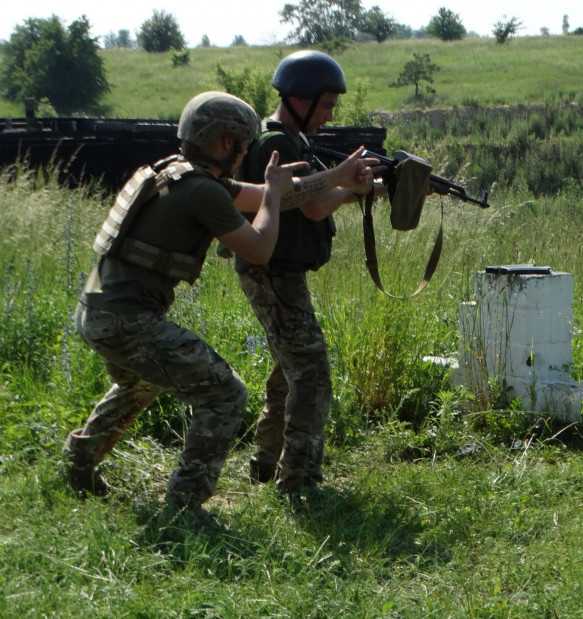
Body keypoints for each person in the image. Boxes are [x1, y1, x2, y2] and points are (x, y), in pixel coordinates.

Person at [63, 91, 376, 516]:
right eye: (244, 145)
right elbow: (261, 247)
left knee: (141, 380)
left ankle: (78, 464)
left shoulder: (179, 174)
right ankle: (184, 505)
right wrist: (279, 193)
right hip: (127, 322)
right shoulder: (202, 193)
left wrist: (337, 178)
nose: (247, 151)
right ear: (226, 143)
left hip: (97, 313)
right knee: (225, 394)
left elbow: (273, 194)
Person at [235, 51, 386, 497]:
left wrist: (357, 188)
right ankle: (298, 481)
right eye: (325, 106)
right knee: (312, 373)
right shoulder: (274, 144)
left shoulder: (291, 141)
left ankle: (266, 462)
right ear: (299, 98)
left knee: (290, 370)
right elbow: (300, 200)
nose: (328, 116)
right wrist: (343, 180)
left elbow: (317, 199)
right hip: (273, 271)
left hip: (279, 272)